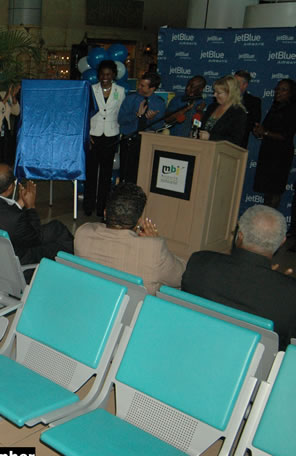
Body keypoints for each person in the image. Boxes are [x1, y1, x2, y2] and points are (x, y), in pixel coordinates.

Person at [182, 205, 296, 350]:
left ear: (239, 235)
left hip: (194, 347)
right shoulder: (291, 294)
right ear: (282, 242)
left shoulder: (200, 263)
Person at [74, 182, 185, 295]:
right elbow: (181, 278)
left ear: (105, 212)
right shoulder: (153, 249)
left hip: (91, 301)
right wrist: (155, 240)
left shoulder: (83, 233)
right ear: (139, 221)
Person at [0, 164, 73, 265]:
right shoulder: (14, 218)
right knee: (58, 233)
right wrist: (30, 207)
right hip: (17, 260)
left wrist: (20, 203)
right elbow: (35, 238)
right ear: (10, 188)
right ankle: (74, 265)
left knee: (55, 227)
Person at [84, 60, 126, 217]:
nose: (105, 77)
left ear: (114, 75)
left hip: (111, 136)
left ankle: (102, 207)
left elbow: (121, 113)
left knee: (106, 175)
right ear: (98, 75)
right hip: (93, 135)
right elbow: (85, 113)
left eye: (108, 74)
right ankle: (88, 206)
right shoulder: (90, 89)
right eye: (102, 74)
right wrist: (87, 133)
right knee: (91, 173)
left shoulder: (120, 91)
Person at [252, 79, 296, 209]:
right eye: (277, 89)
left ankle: (270, 225)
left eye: (283, 89)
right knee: (267, 192)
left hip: (281, 156)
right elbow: (265, 128)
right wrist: (258, 131)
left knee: (275, 192)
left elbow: (286, 135)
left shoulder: (293, 109)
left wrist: (265, 132)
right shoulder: (275, 107)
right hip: (268, 153)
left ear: (291, 92)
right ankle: (265, 221)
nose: (278, 92)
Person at [118, 71, 165, 184]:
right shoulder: (131, 99)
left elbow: (160, 126)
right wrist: (136, 115)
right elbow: (121, 120)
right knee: (126, 173)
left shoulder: (159, 103)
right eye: (140, 84)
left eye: (143, 86)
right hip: (130, 140)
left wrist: (152, 119)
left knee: (144, 174)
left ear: (152, 88)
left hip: (148, 142)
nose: (139, 87)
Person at [199, 75, 248, 148]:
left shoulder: (238, 113)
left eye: (219, 93)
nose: (214, 95)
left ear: (230, 93)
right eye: (214, 92)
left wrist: (211, 137)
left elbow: (236, 140)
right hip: (203, 149)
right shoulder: (211, 107)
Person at [234, 70, 262, 145]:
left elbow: (254, 124)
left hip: (239, 144)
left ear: (245, 85)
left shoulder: (254, 102)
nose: (233, 85)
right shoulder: (222, 98)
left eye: (237, 83)